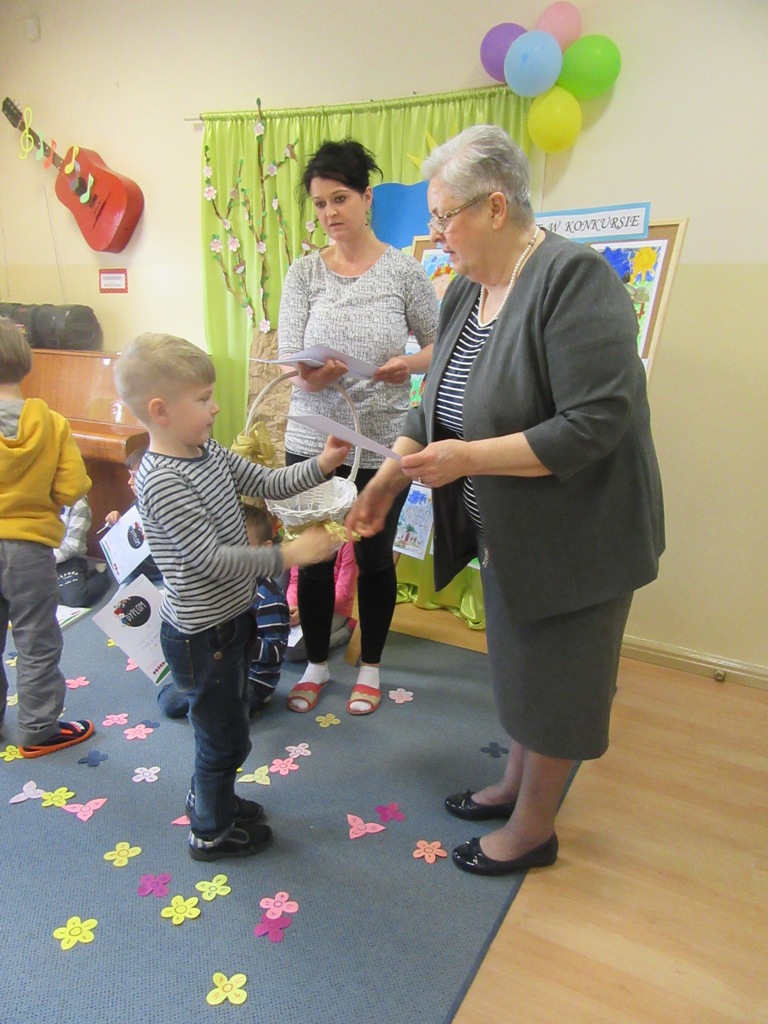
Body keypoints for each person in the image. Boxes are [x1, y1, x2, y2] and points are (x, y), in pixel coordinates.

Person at [346, 126, 665, 877]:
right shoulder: (467, 289)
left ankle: (532, 831)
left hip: (580, 533)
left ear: (495, 207)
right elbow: (432, 404)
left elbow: (594, 423)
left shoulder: (573, 279)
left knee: (561, 682)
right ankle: (515, 787)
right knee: (525, 670)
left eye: (445, 216)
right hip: (511, 529)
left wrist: (467, 460)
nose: (435, 233)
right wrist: (388, 478)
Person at [113, 332, 348, 862]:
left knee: (229, 725)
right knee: (222, 738)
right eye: (203, 399)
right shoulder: (162, 480)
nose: (215, 407)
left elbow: (266, 481)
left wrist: (322, 464)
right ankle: (210, 832)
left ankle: (214, 798)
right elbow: (209, 560)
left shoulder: (207, 452)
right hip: (202, 635)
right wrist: (288, 555)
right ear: (160, 411)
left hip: (229, 620)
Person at [278, 138, 438, 715]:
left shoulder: (403, 271)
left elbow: (441, 346)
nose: (330, 214)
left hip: (380, 443)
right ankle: (316, 665)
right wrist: (314, 376)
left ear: (367, 198)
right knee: (315, 556)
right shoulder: (303, 273)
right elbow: (291, 362)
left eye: (340, 199)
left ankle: (370, 667)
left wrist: (408, 365)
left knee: (372, 557)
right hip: (311, 441)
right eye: (320, 204)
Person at [0, 318, 96, 757]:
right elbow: (72, 488)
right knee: (36, 640)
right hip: (30, 549)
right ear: (26, 361)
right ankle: (38, 728)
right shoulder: (52, 423)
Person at [156, 502, 291, 720]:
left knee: (209, 712)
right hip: (218, 667)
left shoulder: (269, 598)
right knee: (170, 702)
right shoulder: (224, 586)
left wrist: (237, 640)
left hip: (252, 679)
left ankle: (238, 703)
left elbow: (275, 651)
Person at [284, 540, 357, 662]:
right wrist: (291, 606)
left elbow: (343, 594)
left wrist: (306, 612)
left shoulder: (348, 544)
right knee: (278, 641)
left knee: (295, 651)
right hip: (302, 604)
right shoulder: (303, 537)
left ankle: (347, 629)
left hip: (333, 608)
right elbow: (295, 580)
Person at [104, 447, 164, 586]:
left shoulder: (164, 509)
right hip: (136, 573)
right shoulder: (136, 504)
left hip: (161, 575)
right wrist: (116, 525)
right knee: (120, 599)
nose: (129, 482)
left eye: (135, 476)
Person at [54, 495, 112, 607]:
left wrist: (43, 560)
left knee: (76, 598)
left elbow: (73, 545)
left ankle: (100, 572)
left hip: (67, 559)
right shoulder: (32, 499)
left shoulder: (78, 503)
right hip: (38, 560)